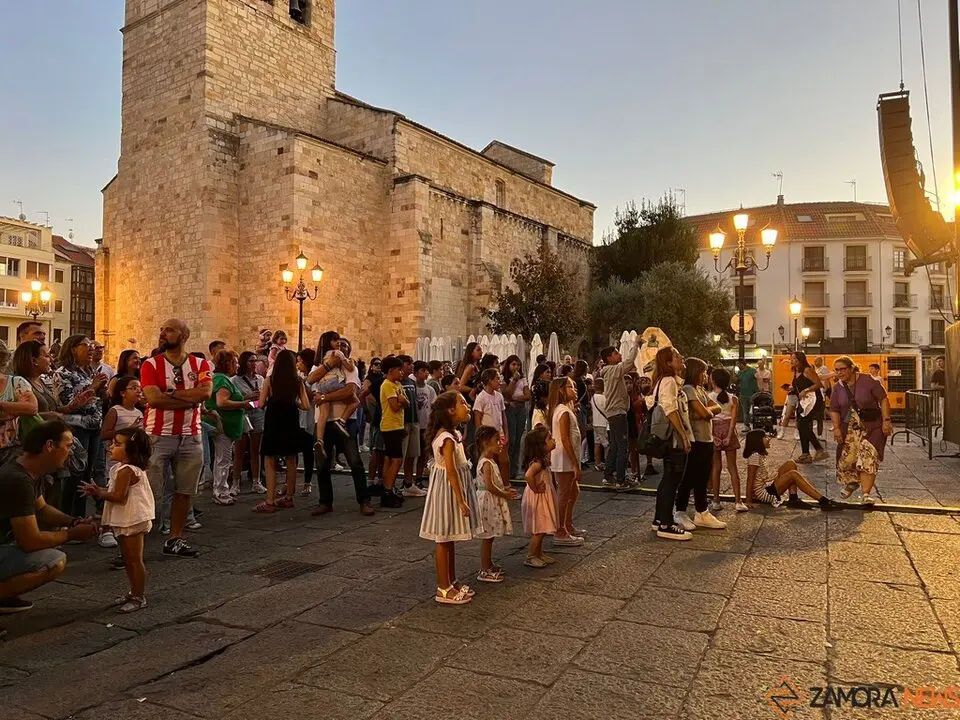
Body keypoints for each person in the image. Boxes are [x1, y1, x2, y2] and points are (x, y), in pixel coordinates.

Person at [0, 420, 98, 614]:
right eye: (68, 446)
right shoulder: (17, 480)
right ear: (49, 446)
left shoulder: (24, 468)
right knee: (54, 561)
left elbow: (43, 508)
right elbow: (30, 541)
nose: (70, 452)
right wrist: (72, 534)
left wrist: (73, 521)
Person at [139, 319, 213, 558]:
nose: (163, 333)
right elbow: (154, 399)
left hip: (191, 435)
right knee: (149, 490)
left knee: (185, 491)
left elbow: (205, 392)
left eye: (169, 329)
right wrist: (190, 400)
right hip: (158, 435)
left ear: (184, 335)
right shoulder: (151, 364)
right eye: (162, 329)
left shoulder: (200, 363)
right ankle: (134, 543)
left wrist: (173, 394)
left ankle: (175, 538)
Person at [81, 427, 156, 613]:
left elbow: (118, 496)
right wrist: (100, 490)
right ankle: (133, 592)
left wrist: (98, 492)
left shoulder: (127, 471)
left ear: (131, 449)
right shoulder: (120, 469)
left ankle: (139, 595)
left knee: (134, 560)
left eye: (117, 444)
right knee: (129, 559)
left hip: (132, 518)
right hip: (126, 517)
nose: (111, 447)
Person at [419, 391, 477, 605]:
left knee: (450, 538)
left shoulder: (453, 435)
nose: (467, 406)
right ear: (451, 410)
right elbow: (451, 472)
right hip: (447, 493)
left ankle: (452, 581)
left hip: (450, 491)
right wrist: (461, 500)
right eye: (463, 403)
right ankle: (443, 587)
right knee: (443, 538)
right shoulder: (447, 439)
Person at [310, 336, 374, 516]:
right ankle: (325, 502)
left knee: (355, 461)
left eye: (345, 345)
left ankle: (364, 500)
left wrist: (324, 397)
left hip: (347, 420)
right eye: (338, 344)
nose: (341, 347)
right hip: (323, 421)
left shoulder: (350, 369)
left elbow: (351, 391)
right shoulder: (321, 366)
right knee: (322, 464)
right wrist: (328, 366)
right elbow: (312, 380)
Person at [53, 336, 105, 521]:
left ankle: (80, 517)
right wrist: (93, 387)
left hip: (93, 427)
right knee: (75, 474)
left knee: (86, 475)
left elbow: (95, 402)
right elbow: (67, 403)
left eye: (92, 346)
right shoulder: (63, 373)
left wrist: (101, 390)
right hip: (76, 428)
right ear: (73, 349)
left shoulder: (89, 371)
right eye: (86, 345)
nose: (91, 349)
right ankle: (68, 519)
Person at [830, 356, 893, 505]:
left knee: (868, 455)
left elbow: (883, 399)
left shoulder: (868, 381)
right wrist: (837, 428)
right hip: (850, 429)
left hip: (873, 426)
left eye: (842, 369)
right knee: (848, 459)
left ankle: (866, 494)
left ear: (851, 368)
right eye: (837, 370)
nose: (839, 372)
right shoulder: (837, 387)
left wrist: (886, 420)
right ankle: (853, 482)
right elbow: (834, 409)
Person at [255, 349, 310, 512]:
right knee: (291, 459)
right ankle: (289, 497)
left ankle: (270, 500)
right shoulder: (297, 381)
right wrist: (295, 403)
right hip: (290, 420)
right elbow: (306, 405)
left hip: (273, 420)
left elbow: (261, 402)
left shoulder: (270, 380)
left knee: (270, 458)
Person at [649, 347, 693, 540]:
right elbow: (670, 410)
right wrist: (683, 436)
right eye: (676, 356)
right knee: (672, 480)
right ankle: (666, 524)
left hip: (668, 438)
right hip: (673, 439)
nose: (681, 357)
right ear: (668, 363)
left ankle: (660, 519)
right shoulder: (669, 382)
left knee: (668, 479)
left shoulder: (663, 381)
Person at [679, 358, 725, 529]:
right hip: (696, 439)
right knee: (690, 476)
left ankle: (701, 511)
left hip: (707, 438)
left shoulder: (700, 390)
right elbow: (702, 413)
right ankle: (680, 510)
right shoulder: (688, 389)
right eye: (703, 372)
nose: (705, 376)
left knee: (703, 477)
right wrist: (705, 412)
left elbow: (715, 408)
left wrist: (707, 412)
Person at [743, 429, 840, 511]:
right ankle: (823, 501)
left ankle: (793, 498)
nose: (768, 439)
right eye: (765, 437)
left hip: (767, 486)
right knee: (793, 474)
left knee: (790, 463)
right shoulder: (754, 456)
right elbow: (750, 479)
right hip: (765, 493)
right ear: (757, 441)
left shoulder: (758, 454)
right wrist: (748, 501)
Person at [472, 425, 517, 583]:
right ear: (485, 443)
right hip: (487, 501)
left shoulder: (489, 460)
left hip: (489, 499)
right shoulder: (486, 463)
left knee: (490, 536)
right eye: (496, 440)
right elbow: (490, 486)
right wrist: (504, 493)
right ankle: (484, 569)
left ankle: (489, 564)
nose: (500, 443)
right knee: (488, 536)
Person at [599, 337, 641, 490]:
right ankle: (621, 479)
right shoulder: (613, 370)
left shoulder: (609, 371)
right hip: (617, 412)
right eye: (615, 353)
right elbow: (628, 363)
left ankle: (609, 476)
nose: (618, 354)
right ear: (609, 358)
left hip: (615, 411)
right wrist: (635, 344)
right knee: (623, 446)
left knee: (616, 445)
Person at [206, 350, 248, 505]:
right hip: (224, 425)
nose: (237, 365)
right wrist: (243, 404)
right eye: (234, 362)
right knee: (223, 459)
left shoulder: (218, 378)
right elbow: (222, 402)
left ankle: (221, 489)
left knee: (221, 459)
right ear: (227, 364)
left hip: (224, 425)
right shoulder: (222, 380)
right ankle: (221, 491)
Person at [549, 376, 583, 545]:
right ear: (561, 390)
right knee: (564, 493)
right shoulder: (562, 411)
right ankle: (560, 529)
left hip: (566, 456)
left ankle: (567, 523)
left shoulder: (565, 409)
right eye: (571, 387)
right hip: (563, 457)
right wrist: (575, 463)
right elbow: (565, 438)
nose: (574, 390)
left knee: (573, 491)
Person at [709, 367, 746, 512]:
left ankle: (716, 500)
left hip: (714, 430)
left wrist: (714, 436)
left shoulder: (708, 397)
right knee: (733, 467)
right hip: (729, 431)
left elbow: (709, 418)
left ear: (713, 381)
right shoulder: (733, 398)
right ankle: (738, 501)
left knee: (716, 467)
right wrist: (729, 436)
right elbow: (733, 419)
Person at [521, 425, 558, 568]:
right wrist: (535, 488)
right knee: (540, 528)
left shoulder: (543, 459)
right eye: (549, 438)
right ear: (541, 445)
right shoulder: (537, 463)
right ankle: (531, 555)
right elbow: (528, 475)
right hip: (538, 498)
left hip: (543, 496)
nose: (553, 440)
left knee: (542, 525)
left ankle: (539, 553)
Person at [232, 351, 266, 495]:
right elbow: (234, 399)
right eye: (251, 361)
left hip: (257, 413)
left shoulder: (260, 379)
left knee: (255, 450)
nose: (254, 364)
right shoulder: (235, 380)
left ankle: (256, 481)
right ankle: (235, 482)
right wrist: (249, 397)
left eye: (255, 361)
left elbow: (265, 397)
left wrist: (259, 399)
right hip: (243, 414)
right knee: (240, 450)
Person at [378, 356, 409, 508]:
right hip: (390, 426)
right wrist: (402, 401)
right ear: (391, 371)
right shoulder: (387, 385)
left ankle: (388, 487)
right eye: (399, 370)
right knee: (396, 459)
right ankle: (388, 489)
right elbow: (395, 406)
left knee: (390, 458)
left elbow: (406, 402)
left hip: (398, 425)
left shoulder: (398, 385)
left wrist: (402, 401)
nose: (402, 373)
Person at [791, 351, 829, 464]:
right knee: (801, 425)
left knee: (803, 425)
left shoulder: (807, 370)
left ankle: (818, 450)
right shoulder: (796, 371)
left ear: (799, 360)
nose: (791, 360)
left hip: (812, 401)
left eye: (793, 358)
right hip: (803, 401)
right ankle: (806, 453)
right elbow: (801, 384)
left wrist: (806, 390)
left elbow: (818, 384)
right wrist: (793, 389)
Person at [473, 368, 509, 481]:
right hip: (488, 436)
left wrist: (506, 432)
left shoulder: (499, 396)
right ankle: (489, 483)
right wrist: (481, 436)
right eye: (497, 378)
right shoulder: (481, 398)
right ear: (489, 381)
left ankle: (505, 484)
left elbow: (503, 416)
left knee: (504, 461)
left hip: (500, 433)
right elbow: (477, 419)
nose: (500, 381)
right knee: (489, 460)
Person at [502, 355, 530, 480]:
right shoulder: (504, 378)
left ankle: (515, 469)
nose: (516, 367)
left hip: (521, 408)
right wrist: (513, 380)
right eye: (513, 364)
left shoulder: (523, 379)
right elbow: (506, 393)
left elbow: (527, 395)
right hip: (510, 409)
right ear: (508, 365)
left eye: (518, 365)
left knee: (518, 439)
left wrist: (519, 398)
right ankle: (507, 470)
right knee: (511, 440)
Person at [413, 361, 437, 484]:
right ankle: (409, 478)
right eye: (423, 370)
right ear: (415, 373)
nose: (426, 373)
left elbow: (434, 406)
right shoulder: (412, 388)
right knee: (412, 454)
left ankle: (419, 477)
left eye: (427, 371)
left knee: (423, 453)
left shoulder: (430, 390)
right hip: (415, 424)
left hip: (426, 425)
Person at [592, 378, 609, 475]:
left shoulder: (593, 397)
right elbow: (607, 409)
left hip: (595, 423)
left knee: (597, 443)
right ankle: (608, 463)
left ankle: (597, 463)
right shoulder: (603, 398)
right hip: (603, 423)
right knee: (607, 444)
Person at [737, 362, 759, 430]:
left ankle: (756, 425)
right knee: (745, 411)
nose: (738, 366)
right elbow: (737, 380)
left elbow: (758, 377)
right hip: (743, 394)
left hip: (753, 394)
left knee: (754, 410)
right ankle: (747, 426)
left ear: (743, 364)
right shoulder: (740, 372)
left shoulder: (752, 370)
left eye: (739, 364)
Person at [530, 363, 552, 428]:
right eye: (547, 372)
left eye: (550, 372)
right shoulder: (538, 386)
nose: (549, 374)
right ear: (541, 374)